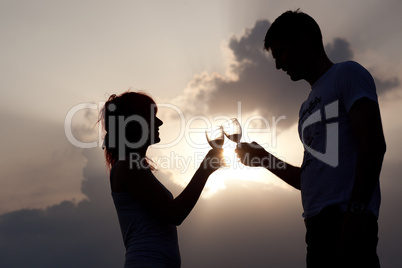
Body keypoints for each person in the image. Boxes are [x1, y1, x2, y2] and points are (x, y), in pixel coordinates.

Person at [235, 10, 386, 268]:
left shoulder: (347, 74)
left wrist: (356, 212)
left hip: (347, 216)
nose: (278, 65)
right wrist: (264, 160)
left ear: (303, 41)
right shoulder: (305, 108)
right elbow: (309, 179)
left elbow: (373, 145)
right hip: (316, 226)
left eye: (280, 52)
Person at [99, 91, 224, 268]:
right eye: (152, 116)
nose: (160, 122)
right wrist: (205, 170)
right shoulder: (127, 166)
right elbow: (174, 214)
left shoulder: (132, 165)